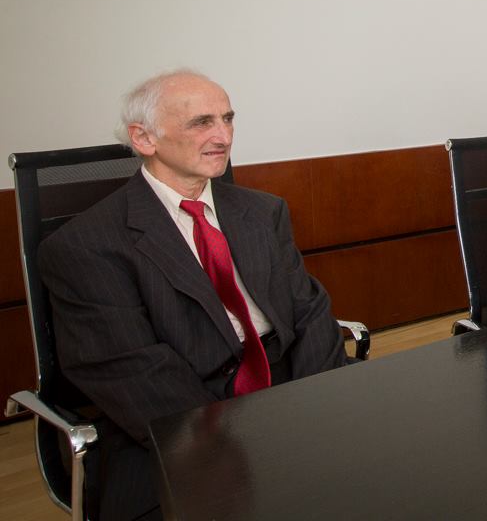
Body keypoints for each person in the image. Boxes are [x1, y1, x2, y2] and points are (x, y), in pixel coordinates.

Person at [39, 70, 348, 521]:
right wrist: (255, 448)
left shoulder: (264, 211)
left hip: (289, 391)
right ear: (144, 138)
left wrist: (320, 406)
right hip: (187, 423)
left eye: (228, 119)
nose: (223, 136)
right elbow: (132, 372)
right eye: (202, 122)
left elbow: (310, 311)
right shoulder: (86, 246)